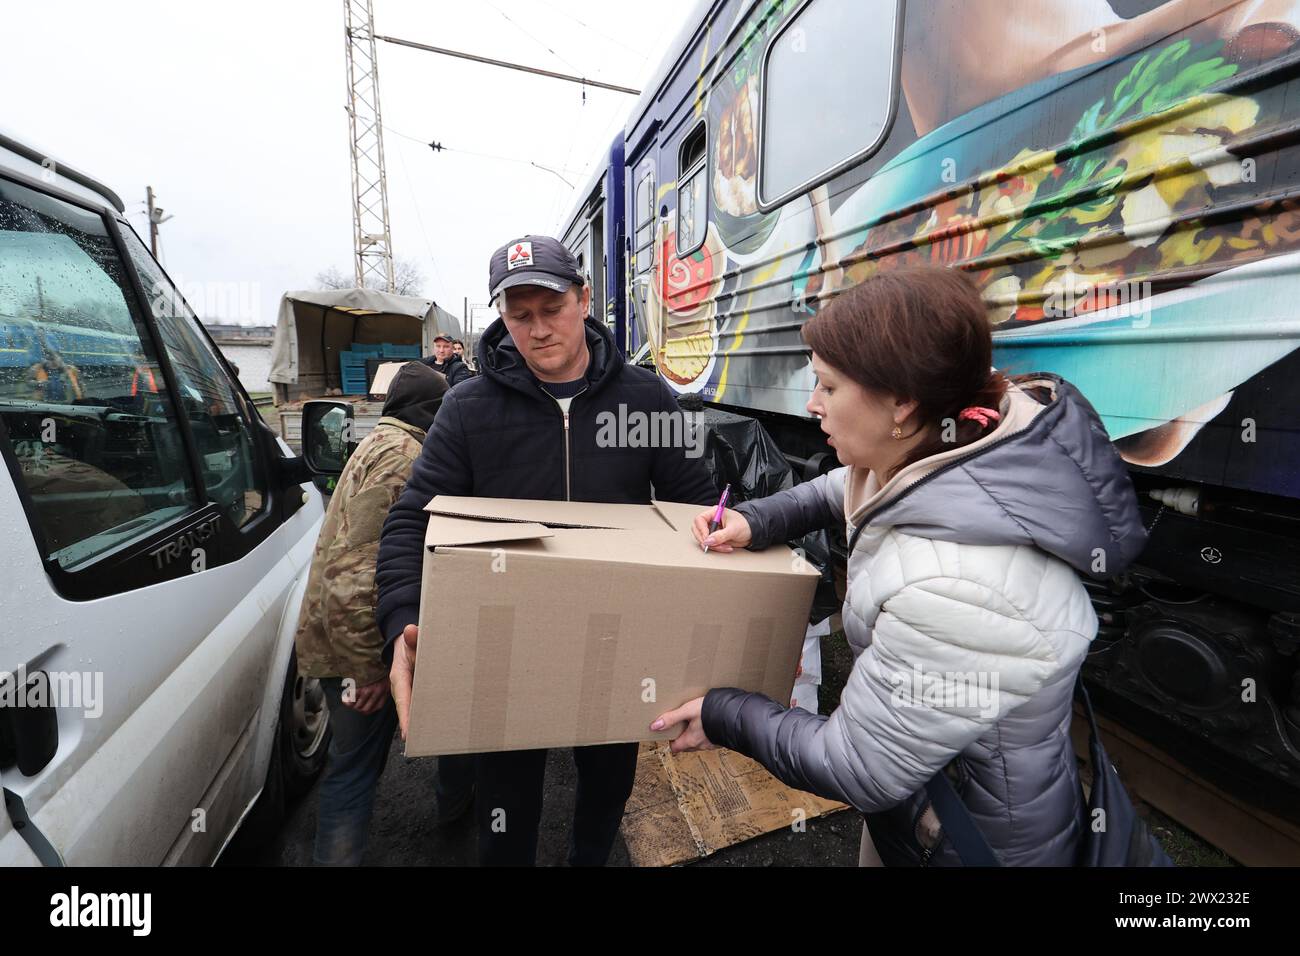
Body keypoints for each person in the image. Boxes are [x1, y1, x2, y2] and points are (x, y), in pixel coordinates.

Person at [653, 266, 1148, 866]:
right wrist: (757, 519)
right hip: (925, 804)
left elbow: (857, 766)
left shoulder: (960, 587)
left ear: (902, 405)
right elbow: (843, 488)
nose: (812, 406)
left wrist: (722, 712)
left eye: (829, 388)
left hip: (964, 845)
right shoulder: (947, 450)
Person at [377, 234, 716, 866]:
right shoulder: (467, 409)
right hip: (506, 645)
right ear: (502, 317)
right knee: (506, 811)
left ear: (584, 299)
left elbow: (695, 512)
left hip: (614, 642)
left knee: (607, 786)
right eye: (519, 314)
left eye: (552, 309)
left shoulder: (644, 399)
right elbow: (409, 523)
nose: (537, 330)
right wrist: (402, 619)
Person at [294, 361, 473, 865]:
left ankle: (454, 812)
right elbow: (355, 574)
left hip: (344, 640)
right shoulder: (404, 456)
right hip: (358, 649)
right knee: (352, 771)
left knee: (355, 764)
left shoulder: (376, 441)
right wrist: (368, 668)